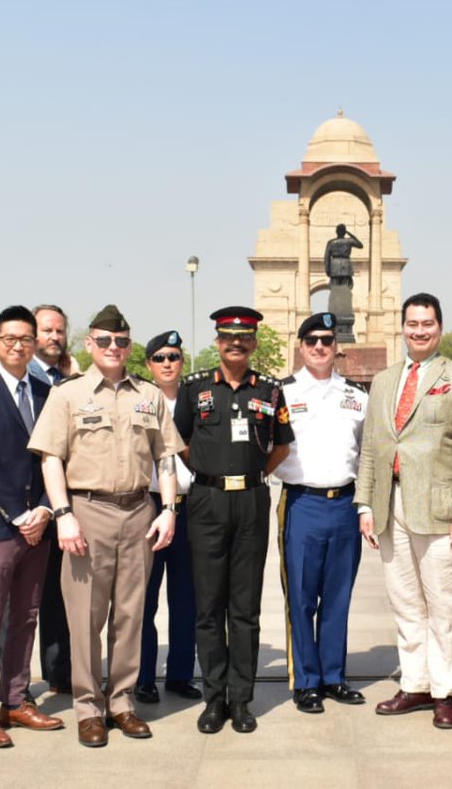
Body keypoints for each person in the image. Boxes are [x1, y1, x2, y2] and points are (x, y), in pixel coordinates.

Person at [28, 304, 183, 748]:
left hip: (138, 512)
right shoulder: (68, 395)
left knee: (132, 616)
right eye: (105, 341)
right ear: (89, 345)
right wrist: (63, 515)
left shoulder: (148, 395)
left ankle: (122, 702)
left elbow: (165, 457)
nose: (114, 348)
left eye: (121, 341)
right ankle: (88, 708)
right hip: (87, 513)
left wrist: (169, 509)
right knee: (85, 618)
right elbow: (51, 458)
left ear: (129, 346)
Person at [355, 292, 452, 730]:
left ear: (440, 327)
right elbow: (372, 449)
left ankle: (445, 691)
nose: (419, 330)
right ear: (403, 326)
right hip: (392, 506)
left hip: (440, 507)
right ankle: (416, 683)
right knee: (406, 602)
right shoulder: (385, 380)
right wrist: (365, 505)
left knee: (445, 603)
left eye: (427, 323)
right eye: (412, 323)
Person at [175, 306, 294, 735]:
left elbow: (281, 446)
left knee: (244, 607)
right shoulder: (194, 389)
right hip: (206, 502)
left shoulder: (271, 390)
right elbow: (181, 441)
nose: (236, 343)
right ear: (218, 341)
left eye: (244, 338)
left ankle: (241, 699)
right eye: (228, 337)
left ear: (254, 343)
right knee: (208, 607)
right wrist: (209, 470)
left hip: (251, 501)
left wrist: (254, 473)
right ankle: (213, 699)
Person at [0, 305, 63, 748]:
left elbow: (55, 456)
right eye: (9, 339)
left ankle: (16, 701)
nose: (18, 346)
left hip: (37, 526)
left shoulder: (46, 391)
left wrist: (43, 509)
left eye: (25, 339)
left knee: (25, 616)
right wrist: (19, 514)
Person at [273, 312, 368, 714]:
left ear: (336, 346)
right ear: (300, 345)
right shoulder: (282, 393)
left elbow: (366, 454)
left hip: (345, 503)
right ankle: (307, 680)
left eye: (326, 340)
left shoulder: (357, 395)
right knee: (301, 596)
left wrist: (365, 505)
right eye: (311, 340)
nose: (319, 347)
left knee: (337, 597)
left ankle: (334, 676)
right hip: (302, 503)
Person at [135, 331, 201, 705]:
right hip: (147, 506)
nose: (166, 363)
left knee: (186, 597)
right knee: (144, 598)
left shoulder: (196, 399)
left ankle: (179, 674)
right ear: (148, 364)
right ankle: (144, 676)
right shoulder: (137, 400)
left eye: (173, 356)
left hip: (190, 508)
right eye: (159, 357)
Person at [27, 304, 75, 695]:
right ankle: (15, 689)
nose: (54, 337)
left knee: (59, 599)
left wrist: (52, 505)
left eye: (60, 330)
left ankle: (60, 673)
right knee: (20, 607)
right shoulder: (21, 381)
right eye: (47, 330)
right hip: (22, 510)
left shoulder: (68, 382)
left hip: (59, 505)